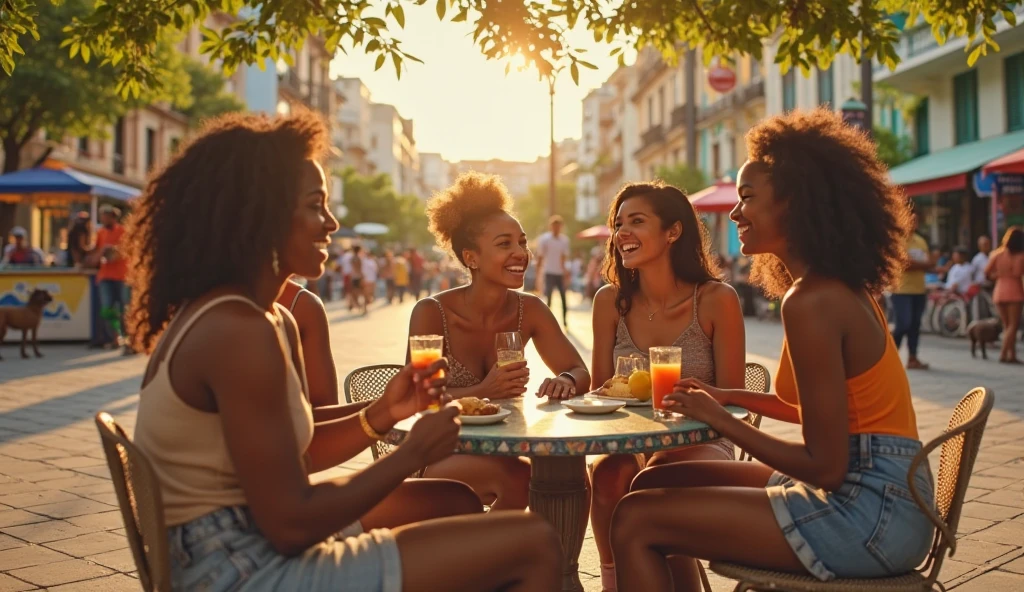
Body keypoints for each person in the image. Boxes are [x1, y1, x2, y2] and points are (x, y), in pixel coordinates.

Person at [125, 111, 562, 591]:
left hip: (248, 534)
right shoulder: (237, 331)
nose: (331, 222)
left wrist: (384, 411)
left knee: (452, 500)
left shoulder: (267, 316)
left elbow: (301, 453)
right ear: (258, 213)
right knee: (532, 540)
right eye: (316, 206)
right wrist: (411, 450)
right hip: (238, 567)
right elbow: (292, 525)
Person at [610, 110, 934, 591]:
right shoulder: (831, 288)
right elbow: (802, 408)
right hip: (888, 493)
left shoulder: (813, 302)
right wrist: (724, 397)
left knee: (636, 518)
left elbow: (825, 466)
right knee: (646, 486)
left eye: (747, 198)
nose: (735, 213)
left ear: (795, 201)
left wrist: (723, 422)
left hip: (869, 512)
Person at [588, 181, 745, 591]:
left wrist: (696, 398)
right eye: (618, 223)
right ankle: (614, 581)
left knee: (656, 479)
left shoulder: (715, 299)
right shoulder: (610, 302)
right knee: (606, 477)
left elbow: (736, 401)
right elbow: (597, 393)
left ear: (673, 231)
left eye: (637, 221)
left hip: (702, 438)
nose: (622, 232)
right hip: (628, 441)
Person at [409, 171, 591, 510]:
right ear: (471, 258)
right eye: (504, 244)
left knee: (570, 468)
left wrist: (564, 381)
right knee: (518, 476)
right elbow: (418, 399)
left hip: (508, 444)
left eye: (522, 242)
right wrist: (484, 390)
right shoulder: (431, 313)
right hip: (441, 451)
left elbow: (579, 371)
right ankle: (499, 557)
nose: (521, 253)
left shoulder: (530, 310)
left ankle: (559, 564)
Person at [890, 208, 932, 370]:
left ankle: (913, 358)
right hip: (901, 290)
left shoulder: (921, 241)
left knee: (915, 325)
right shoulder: (897, 240)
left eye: (916, 221)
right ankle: (890, 358)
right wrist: (923, 264)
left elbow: (928, 263)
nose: (913, 224)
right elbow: (905, 264)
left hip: (918, 290)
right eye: (910, 220)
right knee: (903, 324)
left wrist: (921, 265)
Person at [93, 206, 132, 353]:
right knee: (107, 309)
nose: (103, 219)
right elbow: (97, 252)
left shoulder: (123, 231)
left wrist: (114, 250)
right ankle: (114, 338)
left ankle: (129, 340)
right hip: (105, 276)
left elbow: (128, 250)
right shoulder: (100, 233)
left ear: (113, 218)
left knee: (125, 309)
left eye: (106, 216)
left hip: (122, 275)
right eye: (102, 216)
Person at [985, 226, 1024, 364]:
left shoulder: (997, 254)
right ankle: (1003, 353)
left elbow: (987, 272)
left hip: (999, 289)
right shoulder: (1021, 256)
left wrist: (998, 275)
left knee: (1007, 324)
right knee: (1013, 325)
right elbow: (1018, 273)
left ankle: (1011, 354)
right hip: (1015, 290)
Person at [535, 215, 572, 327]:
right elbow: (540, 257)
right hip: (549, 271)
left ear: (561, 227)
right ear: (551, 226)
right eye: (554, 226)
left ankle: (565, 321)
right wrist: (538, 274)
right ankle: (547, 322)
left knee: (563, 298)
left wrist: (566, 273)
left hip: (559, 273)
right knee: (549, 298)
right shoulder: (545, 239)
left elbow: (563, 258)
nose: (556, 228)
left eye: (558, 226)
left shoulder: (564, 240)